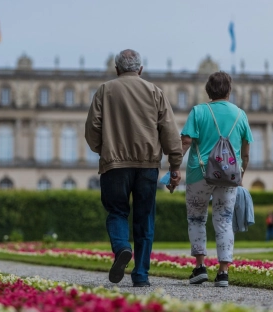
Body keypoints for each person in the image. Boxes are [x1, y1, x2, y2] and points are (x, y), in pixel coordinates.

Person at [85, 49, 183, 287]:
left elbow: (91, 130)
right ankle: (141, 274)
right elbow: (170, 132)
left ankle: (121, 248)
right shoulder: (154, 91)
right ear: (140, 69)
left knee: (117, 212)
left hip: (114, 165)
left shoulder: (105, 90)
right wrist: (175, 166)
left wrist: (104, 150)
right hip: (147, 165)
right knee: (144, 218)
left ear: (117, 69)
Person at [176, 71, 253, 287]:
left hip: (199, 174)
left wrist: (174, 167)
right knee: (224, 220)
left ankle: (200, 267)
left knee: (196, 219)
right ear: (229, 90)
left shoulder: (198, 111)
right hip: (229, 176)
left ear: (208, 91)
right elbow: (246, 153)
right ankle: (223, 272)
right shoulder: (240, 115)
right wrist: (241, 174)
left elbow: (186, 142)